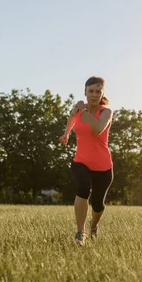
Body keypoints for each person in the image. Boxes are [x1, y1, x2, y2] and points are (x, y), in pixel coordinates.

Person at [59, 76, 114, 246]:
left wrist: (83, 111)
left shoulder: (106, 112)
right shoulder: (78, 109)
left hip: (103, 167)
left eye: (98, 91)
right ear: (85, 92)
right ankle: (80, 232)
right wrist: (66, 133)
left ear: (102, 93)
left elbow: (97, 128)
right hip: (81, 161)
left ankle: (94, 225)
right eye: (91, 91)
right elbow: (72, 118)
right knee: (83, 189)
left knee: (98, 205)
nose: (94, 94)